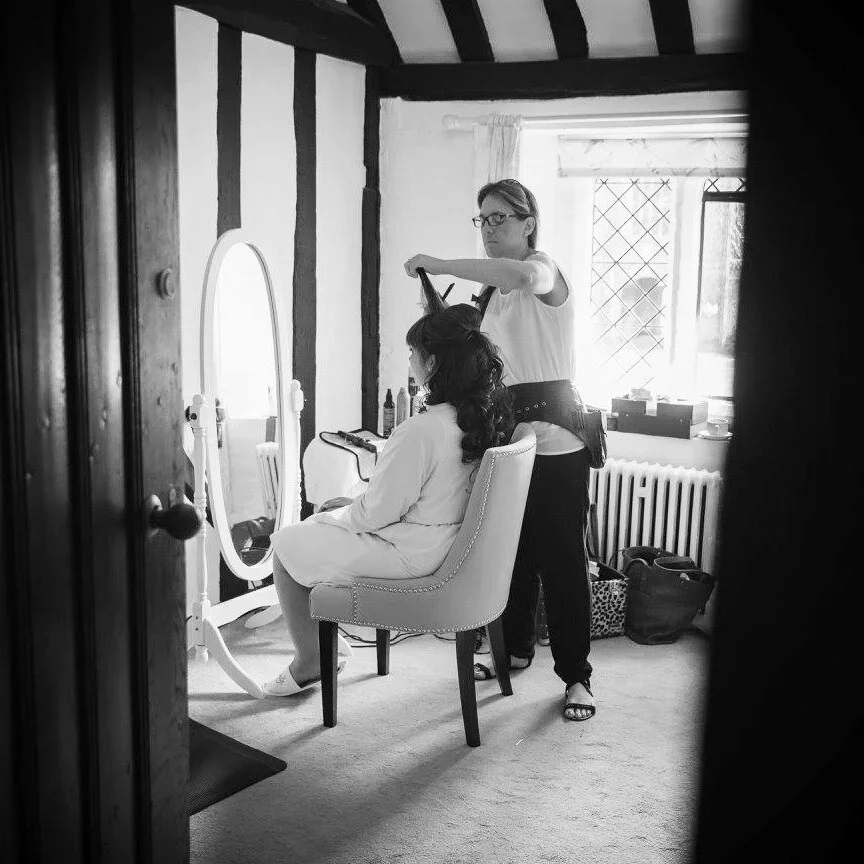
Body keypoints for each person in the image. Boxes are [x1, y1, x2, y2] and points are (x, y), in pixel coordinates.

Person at [404, 178, 596, 721]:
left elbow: (519, 274)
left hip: (559, 440)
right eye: (482, 219)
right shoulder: (485, 297)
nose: (489, 229)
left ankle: (577, 677)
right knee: (511, 556)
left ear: (528, 223)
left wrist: (441, 262)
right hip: (510, 439)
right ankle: (513, 649)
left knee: (562, 560)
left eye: (500, 219)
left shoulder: (543, 271)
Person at [262, 302, 513, 696]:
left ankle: (311, 660)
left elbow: (374, 514)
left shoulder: (421, 430)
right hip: (446, 544)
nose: (409, 359)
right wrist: (346, 509)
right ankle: (322, 641)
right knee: (323, 524)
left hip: (414, 554)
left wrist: (339, 511)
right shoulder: (482, 419)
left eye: (413, 352)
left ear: (431, 363)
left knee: (288, 542)